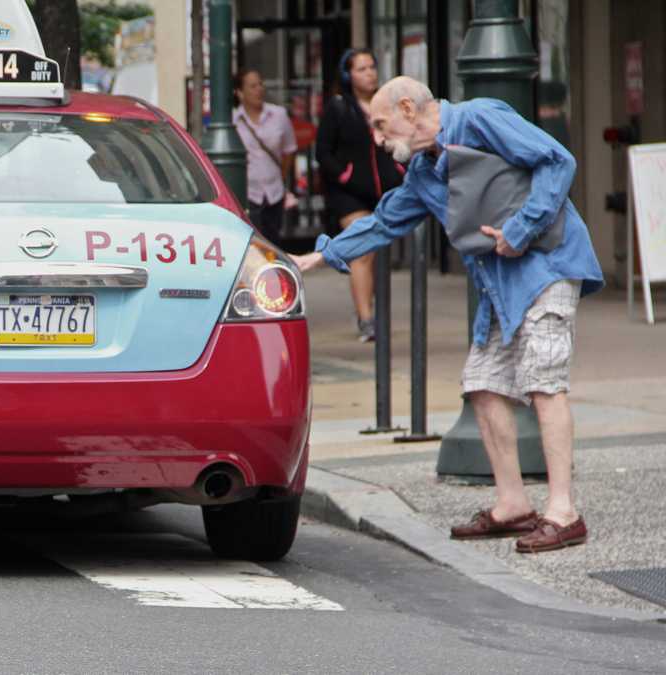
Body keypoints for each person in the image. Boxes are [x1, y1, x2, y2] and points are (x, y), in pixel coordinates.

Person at [293, 76, 604, 553]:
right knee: (481, 384)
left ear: (407, 108)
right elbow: (385, 220)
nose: (377, 139)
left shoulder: (480, 118)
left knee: (544, 381)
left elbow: (557, 161)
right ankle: (513, 504)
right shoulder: (422, 172)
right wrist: (320, 256)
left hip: (548, 263)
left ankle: (564, 512)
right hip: (500, 282)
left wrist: (520, 229)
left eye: (380, 126)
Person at [316, 49, 405, 342]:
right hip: (349, 193)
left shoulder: (387, 106)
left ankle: (370, 309)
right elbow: (323, 152)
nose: (369, 73)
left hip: (384, 192)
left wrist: (399, 170)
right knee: (362, 248)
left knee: (376, 252)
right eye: (361, 68)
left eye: (371, 67)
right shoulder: (339, 107)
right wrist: (345, 175)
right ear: (348, 75)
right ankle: (366, 319)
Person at [232, 68, 297, 242]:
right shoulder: (232, 120)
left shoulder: (279, 115)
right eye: (252, 86)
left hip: (274, 192)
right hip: (247, 194)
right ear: (240, 93)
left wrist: (281, 176)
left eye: (260, 84)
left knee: (273, 241)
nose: (259, 89)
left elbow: (290, 149)